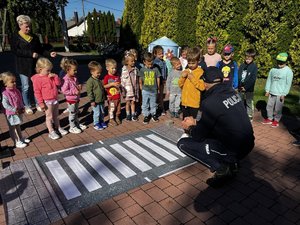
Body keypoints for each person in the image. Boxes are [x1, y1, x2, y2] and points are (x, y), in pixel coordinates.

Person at [177, 67, 255, 188]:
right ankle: (231, 162)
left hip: (235, 149)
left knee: (183, 144)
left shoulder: (209, 102)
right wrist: (197, 123)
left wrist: (190, 126)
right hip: (248, 144)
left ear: (205, 82)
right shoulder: (231, 92)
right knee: (211, 134)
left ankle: (224, 169)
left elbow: (198, 136)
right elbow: (218, 118)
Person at [11, 15, 57, 115]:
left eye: (29, 26)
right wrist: (30, 54)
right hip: (22, 66)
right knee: (26, 87)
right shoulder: (15, 37)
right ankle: (27, 106)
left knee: (37, 85)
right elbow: (15, 51)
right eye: (26, 26)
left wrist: (49, 53)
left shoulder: (34, 37)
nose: (28, 28)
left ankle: (38, 104)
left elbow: (40, 50)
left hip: (34, 66)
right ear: (20, 26)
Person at [31, 58, 68, 140]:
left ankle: (58, 128)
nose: (49, 72)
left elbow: (58, 83)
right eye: (47, 70)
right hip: (47, 101)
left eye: (50, 70)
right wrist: (41, 103)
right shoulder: (37, 80)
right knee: (49, 117)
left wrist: (55, 77)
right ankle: (51, 131)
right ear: (40, 70)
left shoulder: (50, 76)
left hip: (54, 99)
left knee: (56, 116)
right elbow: (37, 92)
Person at [262, 52, 293, 127]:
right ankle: (269, 118)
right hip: (272, 92)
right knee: (269, 106)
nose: (280, 64)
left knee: (277, 109)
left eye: (282, 62)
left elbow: (288, 84)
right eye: (278, 62)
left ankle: (276, 120)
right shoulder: (273, 69)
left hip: (280, 94)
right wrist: (267, 90)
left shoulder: (288, 71)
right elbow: (269, 80)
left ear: (286, 62)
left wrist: (284, 93)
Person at [0, 72, 30, 148]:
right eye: (12, 82)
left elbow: (20, 99)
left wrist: (22, 106)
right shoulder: (4, 93)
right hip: (10, 113)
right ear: (5, 84)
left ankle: (21, 138)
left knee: (18, 126)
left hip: (17, 111)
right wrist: (14, 110)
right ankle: (16, 141)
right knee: (12, 128)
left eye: (15, 81)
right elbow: (5, 105)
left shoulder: (15, 90)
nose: (15, 83)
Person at [61, 58, 87, 134]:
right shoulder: (66, 79)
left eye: (76, 70)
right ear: (68, 70)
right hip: (71, 100)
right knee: (72, 113)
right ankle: (72, 127)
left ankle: (77, 124)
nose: (76, 71)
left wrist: (79, 86)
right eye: (74, 70)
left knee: (76, 112)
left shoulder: (74, 77)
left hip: (76, 98)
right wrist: (74, 92)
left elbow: (76, 85)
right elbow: (64, 91)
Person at [178, 47, 205, 120]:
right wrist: (183, 77)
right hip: (185, 102)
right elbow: (180, 85)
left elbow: (202, 87)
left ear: (198, 61)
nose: (191, 65)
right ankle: (186, 131)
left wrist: (192, 78)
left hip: (194, 103)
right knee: (185, 120)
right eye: (189, 63)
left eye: (193, 63)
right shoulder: (186, 70)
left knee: (192, 121)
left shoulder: (201, 72)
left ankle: (192, 131)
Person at [139, 52, 161, 124]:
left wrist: (158, 88)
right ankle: (146, 115)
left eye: (151, 63)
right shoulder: (142, 70)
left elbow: (158, 78)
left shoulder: (155, 69)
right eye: (148, 64)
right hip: (145, 90)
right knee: (145, 103)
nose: (150, 65)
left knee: (153, 103)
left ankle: (153, 114)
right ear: (144, 62)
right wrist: (141, 86)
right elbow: (140, 78)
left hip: (153, 90)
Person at [238, 49, 258, 122]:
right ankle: (241, 114)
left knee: (249, 102)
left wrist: (246, 87)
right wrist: (239, 86)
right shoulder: (242, 65)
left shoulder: (254, 67)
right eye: (246, 58)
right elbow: (239, 75)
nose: (247, 60)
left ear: (253, 58)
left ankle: (249, 115)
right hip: (240, 88)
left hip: (249, 89)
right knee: (240, 101)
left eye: (249, 59)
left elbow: (253, 79)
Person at [86, 61, 107, 131]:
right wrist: (92, 100)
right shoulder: (90, 81)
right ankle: (96, 123)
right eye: (97, 73)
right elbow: (89, 92)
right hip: (95, 101)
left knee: (102, 112)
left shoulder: (99, 80)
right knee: (97, 113)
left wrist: (105, 96)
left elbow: (102, 89)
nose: (99, 74)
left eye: (100, 72)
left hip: (101, 99)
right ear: (92, 72)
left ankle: (101, 121)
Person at [121, 51, 139, 121]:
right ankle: (128, 114)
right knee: (128, 102)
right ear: (127, 62)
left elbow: (137, 79)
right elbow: (122, 81)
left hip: (134, 89)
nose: (133, 62)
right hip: (127, 90)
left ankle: (133, 114)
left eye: (134, 61)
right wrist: (123, 91)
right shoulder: (124, 70)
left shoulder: (135, 69)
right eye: (131, 61)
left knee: (133, 102)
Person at [103, 59, 122, 126]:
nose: (114, 70)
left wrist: (119, 85)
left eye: (115, 68)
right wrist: (111, 84)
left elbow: (119, 83)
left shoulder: (117, 76)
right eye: (112, 68)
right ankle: (111, 119)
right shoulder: (107, 77)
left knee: (118, 109)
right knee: (112, 109)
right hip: (111, 97)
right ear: (107, 68)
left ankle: (117, 117)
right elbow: (104, 86)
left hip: (118, 96)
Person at [153, 45, 167, 115]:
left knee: (161, 95)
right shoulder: (155, 62)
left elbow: (165, 70)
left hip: (162, 80)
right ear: (155, 54)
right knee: (155, 95)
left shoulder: (163, 61)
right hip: (156, 81)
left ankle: (161, 107)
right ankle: (154, 108)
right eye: (159, 54)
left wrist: (165, 78)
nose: (162, 55)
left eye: (162, 53)